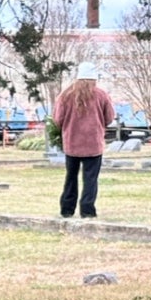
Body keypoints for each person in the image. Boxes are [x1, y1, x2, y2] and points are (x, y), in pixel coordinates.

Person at [52, 61, 116, 219]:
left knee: (71, 176)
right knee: (90, 179)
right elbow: (109, 118)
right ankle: (87, 210)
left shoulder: (65, 95)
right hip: (93, 144)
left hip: (72, 143)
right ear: (94, 78)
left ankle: (67, 208)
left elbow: (58, 119)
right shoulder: (101, 95)